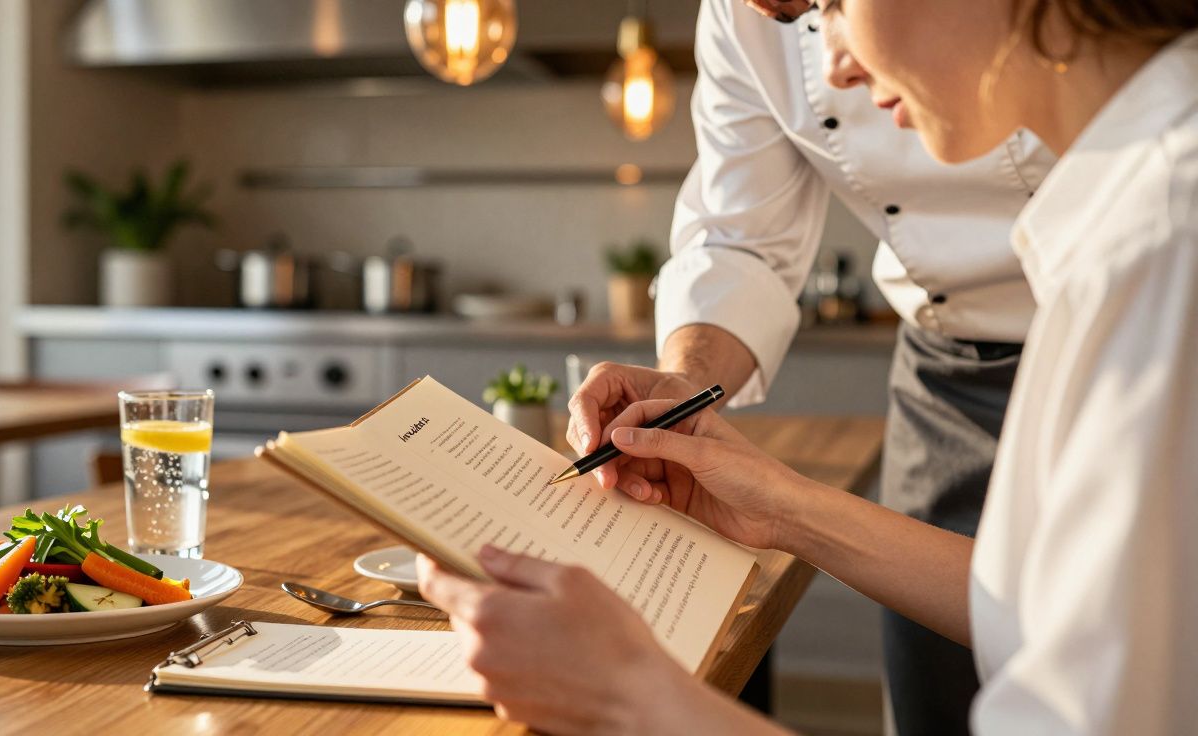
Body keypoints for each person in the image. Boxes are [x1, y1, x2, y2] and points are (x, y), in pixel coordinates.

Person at [418, 0, 1198, 733]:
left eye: (835, 4)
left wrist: (633, 696)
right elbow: (1038, 608)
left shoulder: (1155, 251)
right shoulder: (1129, 213)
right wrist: (783, 508)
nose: (835, 67)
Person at [574, 0, 1055, 729]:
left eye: (832, 5)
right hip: (949, 372)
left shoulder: (1145, 218)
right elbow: (741, 241)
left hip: (1132, 337)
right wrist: (686, 382)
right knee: (941, 694)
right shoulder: (740, 21)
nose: (833, 61)